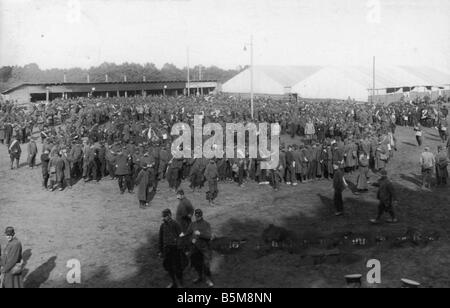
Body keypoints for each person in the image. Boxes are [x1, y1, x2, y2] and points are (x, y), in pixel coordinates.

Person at [181, 209, 214, 288]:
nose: (197, 217)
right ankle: (200, 277)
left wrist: (200, 234)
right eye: (196, 216)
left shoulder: (206, 224)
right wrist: (183, 234)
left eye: (198, 216)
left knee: (206, 264)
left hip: (204, 248)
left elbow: (209, 236)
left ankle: (208, 280)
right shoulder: (193, 224)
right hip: (195, 248)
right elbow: (188, 232)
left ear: (201, 215)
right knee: (196, 264)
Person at [158, 209, 185, 288]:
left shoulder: (175, 224)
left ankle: (180, 284)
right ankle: (173, 282)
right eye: (162, 217)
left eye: (164, 216)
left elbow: (181, 235)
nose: (163, 218)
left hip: (175, 249)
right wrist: (160, 250)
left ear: (169, 215)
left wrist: (179, 245)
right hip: (166, 250)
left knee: (177, 267)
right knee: (168, 267)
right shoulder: (162, 226)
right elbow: (160, 238)